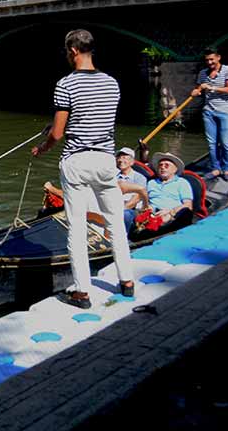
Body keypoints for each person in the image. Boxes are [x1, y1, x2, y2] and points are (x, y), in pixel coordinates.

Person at [32, 29, 135, 308]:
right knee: (114, 223)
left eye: (67, 51)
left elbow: (58, 134)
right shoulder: (112, 83)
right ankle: (126, 281)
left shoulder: (65, 84)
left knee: (76, 228)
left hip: (77, 161)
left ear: (73, 51)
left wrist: (42, 147)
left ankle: (82, 292)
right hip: (105, 160)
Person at [190, 47, 228, 181]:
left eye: (212, 59)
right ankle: (216, 169)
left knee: (225, 143)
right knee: (212, 143)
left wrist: (211, 87)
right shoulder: (203, 73)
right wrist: (196, 91)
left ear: (218, 57)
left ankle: (226, 169)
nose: (209, 62)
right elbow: (199, 88)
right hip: (209, 112)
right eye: (207, 60)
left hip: (226, 112)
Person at [127, 152, 193, 231]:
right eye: (160, 165)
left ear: (175, 169)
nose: (162, 167)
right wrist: (148, 210)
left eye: (166, 165)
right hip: (152, 214)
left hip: (172, 215)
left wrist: (171, 212)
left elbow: (188, 205)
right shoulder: (151, 183)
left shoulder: (182, 182)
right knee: (127, 214)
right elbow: (144, 200)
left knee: (184, 213)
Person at [116, 147, 148, 230]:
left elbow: (136, 199)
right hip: (113, 205)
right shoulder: (113, 176)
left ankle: (124, 238)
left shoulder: (139, 178)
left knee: (125, 214)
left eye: (124, 157)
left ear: (132, 162)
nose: (120, 160)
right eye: (119, 157)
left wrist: (120, 210)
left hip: (130, 209)